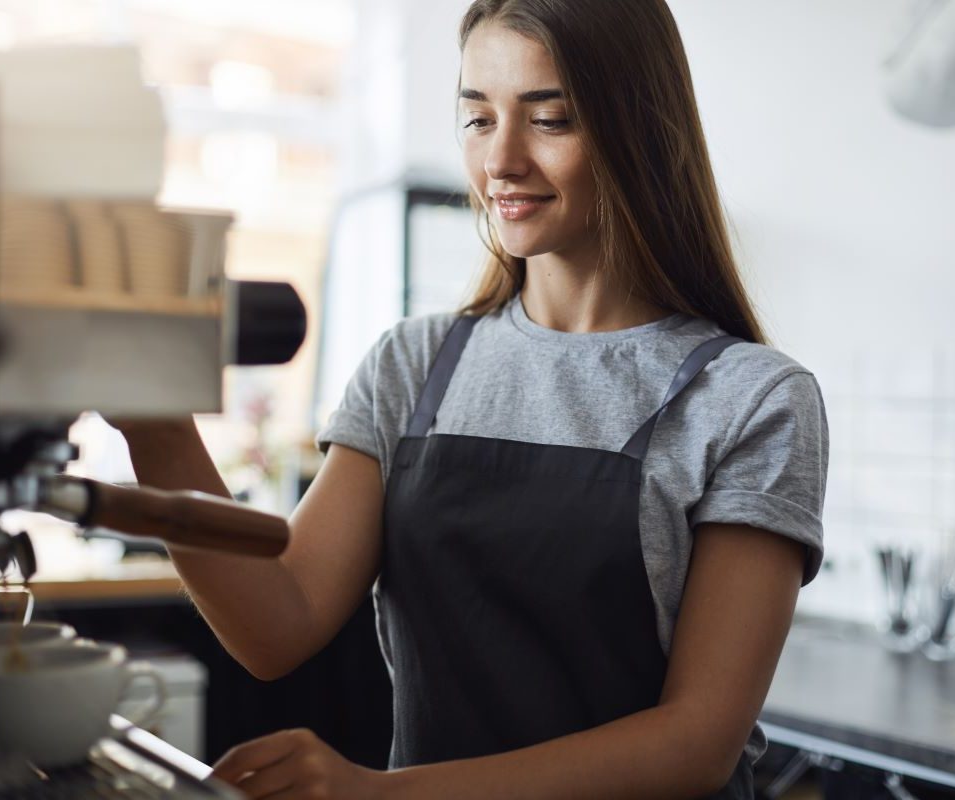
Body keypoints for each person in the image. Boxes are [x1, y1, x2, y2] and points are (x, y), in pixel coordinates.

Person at [118, 0, 829, 797]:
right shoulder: (415, 365)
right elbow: (276, 621)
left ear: (641, 129)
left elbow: (696, 744)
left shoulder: (750, 400)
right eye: (478, 119)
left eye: (550, 119)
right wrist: (153, 423)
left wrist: (380, 795)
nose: (502, 160)